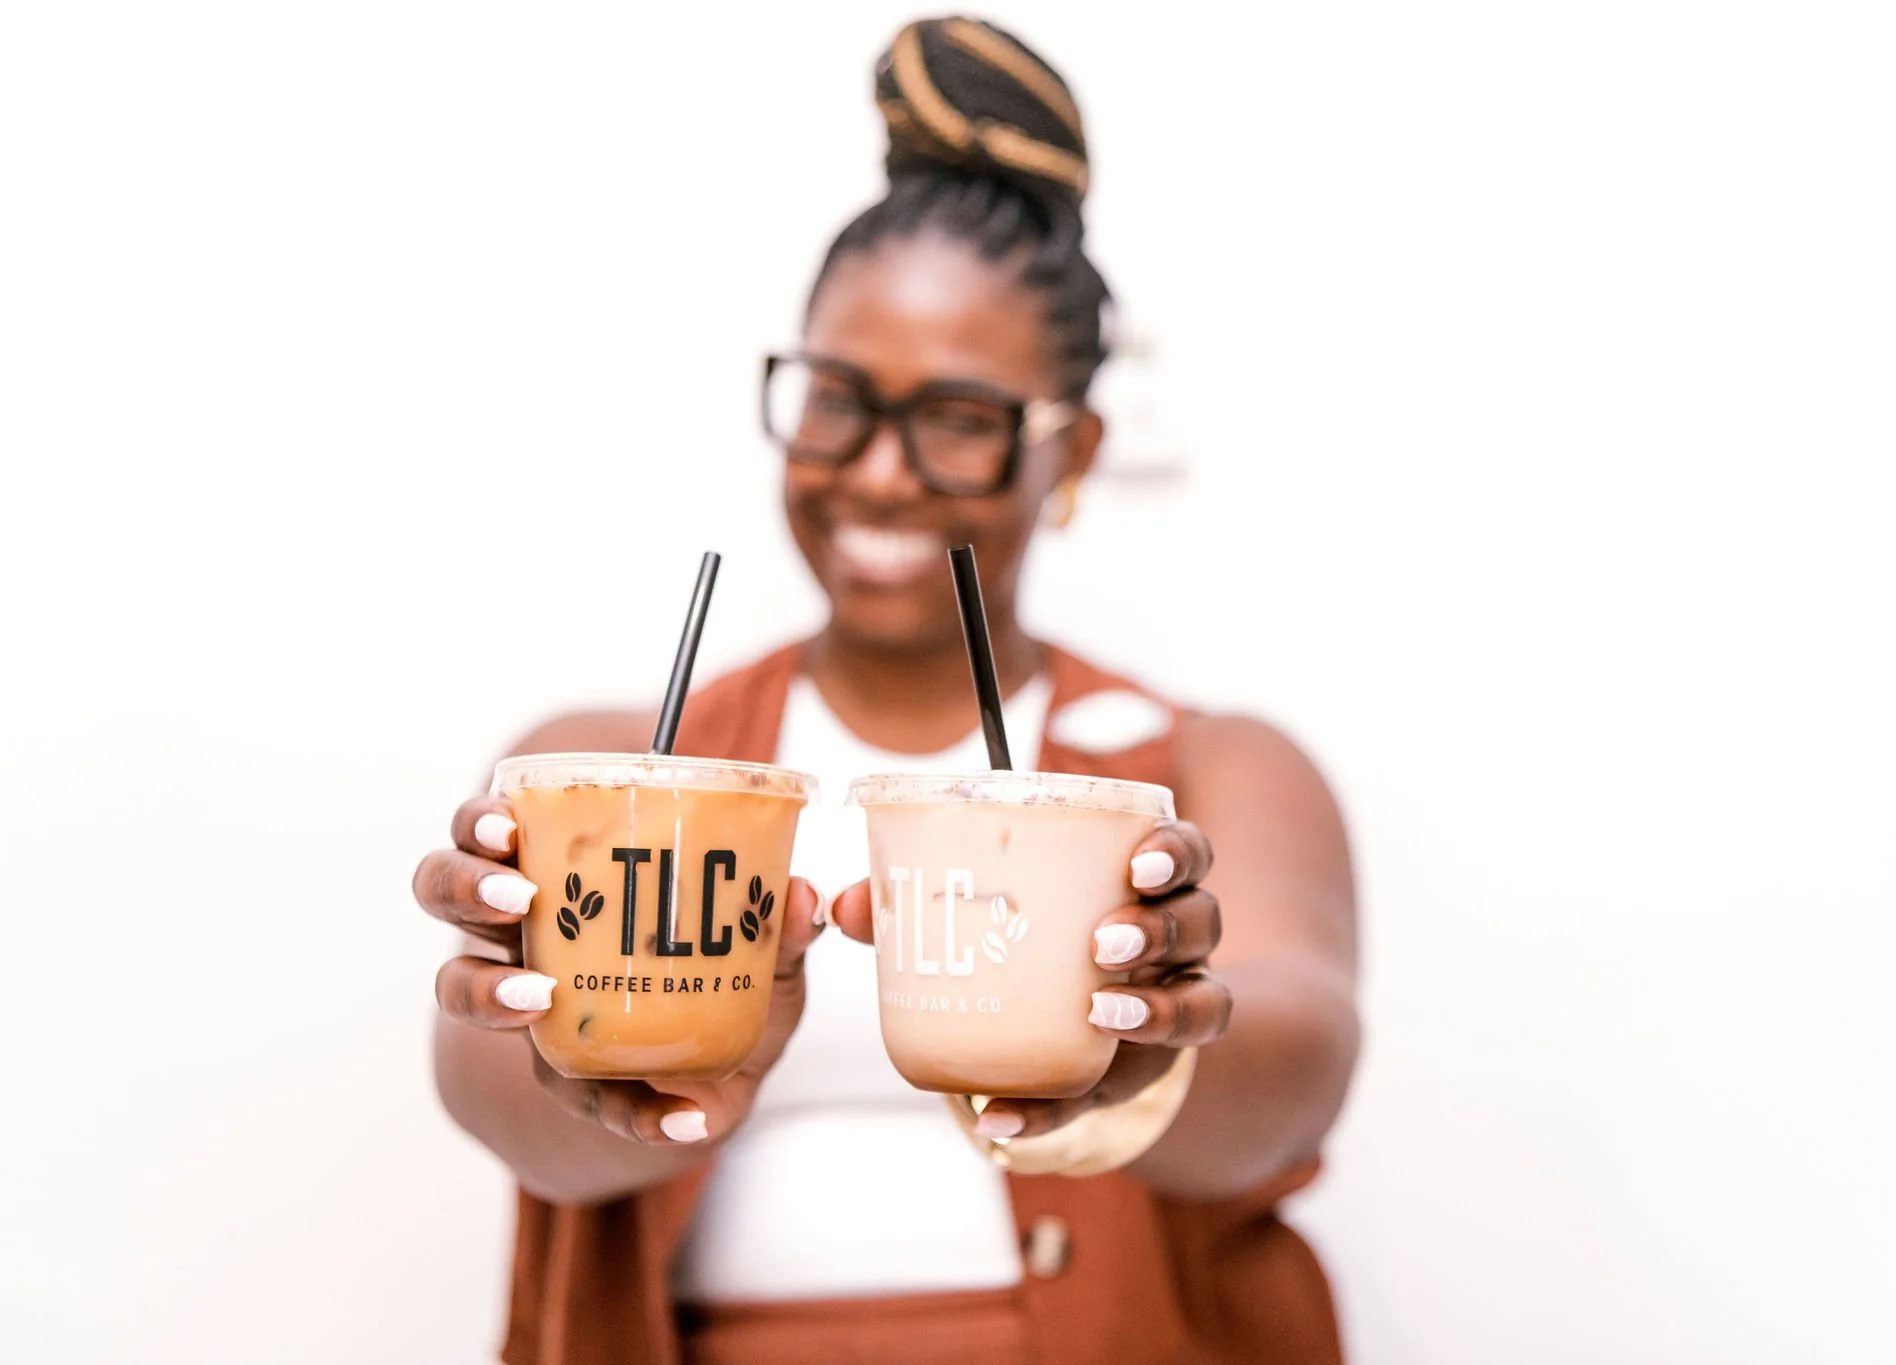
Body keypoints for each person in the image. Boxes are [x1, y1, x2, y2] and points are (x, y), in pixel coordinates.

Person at [412, 17, 1360, 1363]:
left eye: (961, 419)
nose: (878, 472)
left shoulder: (1204, 776)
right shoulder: (606, 773)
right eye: (835, 399)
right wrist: (571, 1046)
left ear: (1073, 448)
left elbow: (1300, 1070)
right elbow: (499, 1107)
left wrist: (1141, 1056)